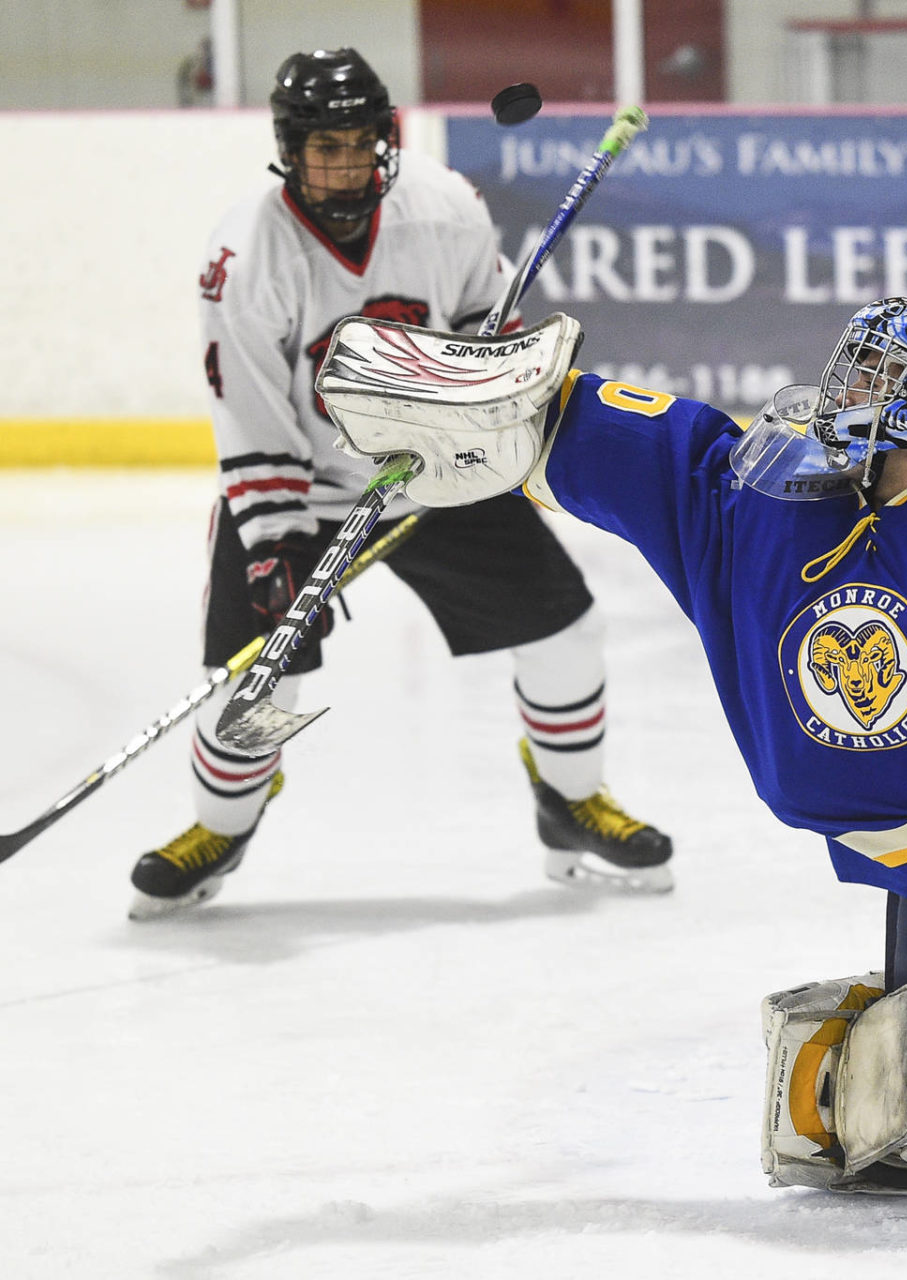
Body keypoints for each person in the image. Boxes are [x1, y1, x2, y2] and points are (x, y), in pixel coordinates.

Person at [311, 295, 907, 1190]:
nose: (852, 396)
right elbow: (559, 419)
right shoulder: (745, 500)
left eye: (882, 379)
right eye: (852, 371)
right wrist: (489, 390)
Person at [129, 49, 673, 920]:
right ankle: (220, 826)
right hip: (300, 487)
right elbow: (252, 415)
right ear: (289, 148)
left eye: (359, 142)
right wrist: (272, 545)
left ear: (385, 139)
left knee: (567, 631)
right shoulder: (244, 255)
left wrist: (485, 380)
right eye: (323, 146)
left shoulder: (445, 207)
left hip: (439, 475)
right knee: (255, 679)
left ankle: (570, 804)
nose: (345, 163)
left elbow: (488, 343)